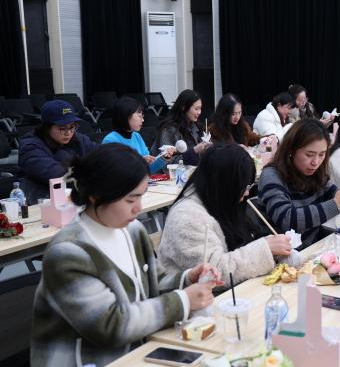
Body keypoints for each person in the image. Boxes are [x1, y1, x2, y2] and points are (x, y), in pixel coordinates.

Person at [30, 144, 223, 367]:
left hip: (137, 351)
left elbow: (154, 283)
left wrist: (188, 278)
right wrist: (183, 300)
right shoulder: (68, 252)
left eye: (141, 197)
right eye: (130, 200)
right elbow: (109, 326)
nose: (138, 208)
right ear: (95, 196)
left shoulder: (132, 231)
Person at [158, 143, 292, 286]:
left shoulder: (220, 200)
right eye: (244, 186)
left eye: (249, 185)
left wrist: (271, 247)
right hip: (198, 297)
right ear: (225, 184)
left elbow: (242, 243)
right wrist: (265, 249)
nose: (247, 192)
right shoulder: (186, 217)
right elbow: (214, 274)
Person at [258, 119, 340, 248]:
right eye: (309, 154)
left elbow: (336, 194)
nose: (315, 162)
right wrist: (336, 204)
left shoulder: (318, 172)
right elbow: (287, 219)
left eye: (322, 154)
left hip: (313, 247)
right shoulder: (271, 175)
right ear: (291, 150)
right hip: (284, 254)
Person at [18, 100, 98, 204]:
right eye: (62, 128)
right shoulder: (30, 147)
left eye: (72, 127)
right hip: (43, 201)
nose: (68, 133)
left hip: (75, 197)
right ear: (47, 127)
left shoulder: (78, 139)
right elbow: (58, 175)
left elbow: (102, 156)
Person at [102, 97, 174, 174]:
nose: (142, 120)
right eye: (139, 116)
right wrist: (140, 162)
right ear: (126, 116)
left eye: (142, 116)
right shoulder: (111, 140)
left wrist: (163, 158)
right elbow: (115, 173)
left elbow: (148, 170)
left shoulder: (137, 136)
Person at [152, 90, 209, 166]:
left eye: (200, 108)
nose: (199, 112)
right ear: (184, 107)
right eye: (196, 109)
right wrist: (194, 151)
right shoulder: (169, 130)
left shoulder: (196, 126)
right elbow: (167, 162)